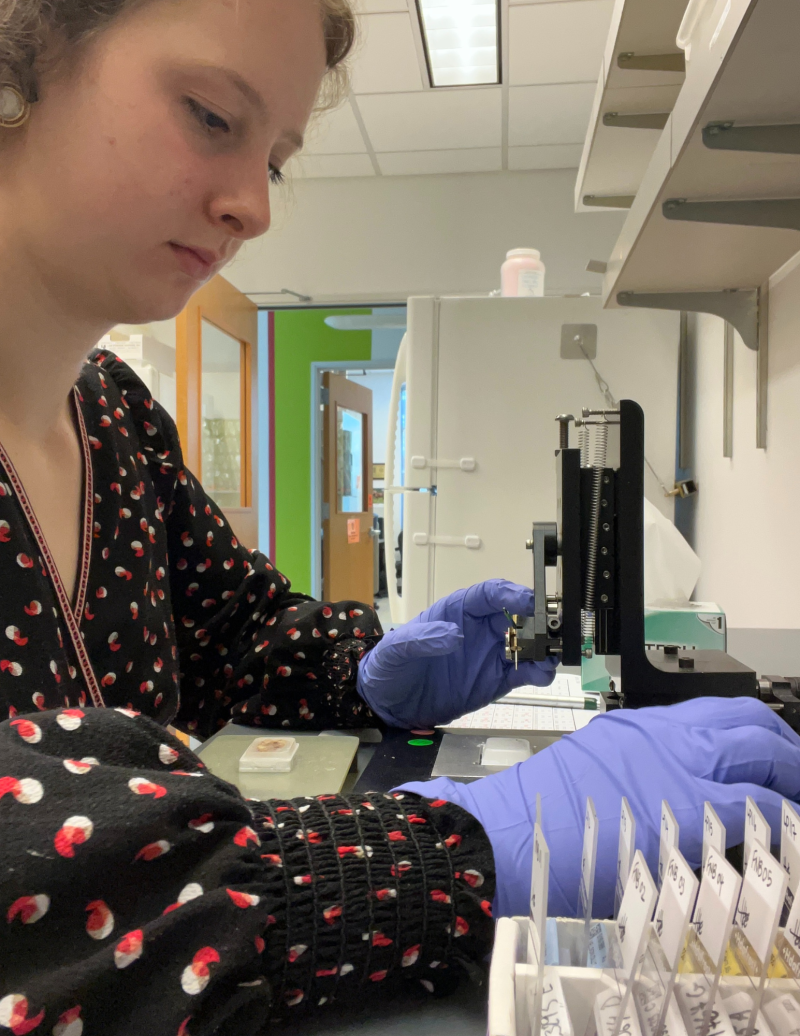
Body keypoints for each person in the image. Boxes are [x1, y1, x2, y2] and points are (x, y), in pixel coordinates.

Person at [0, 0, 799, 1032]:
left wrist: (363, 672)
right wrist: (448, 844)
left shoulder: (113, 414)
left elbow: (228, 633)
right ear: (20, 59)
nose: (254, 203)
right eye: (209, 114)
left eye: (277, 159)